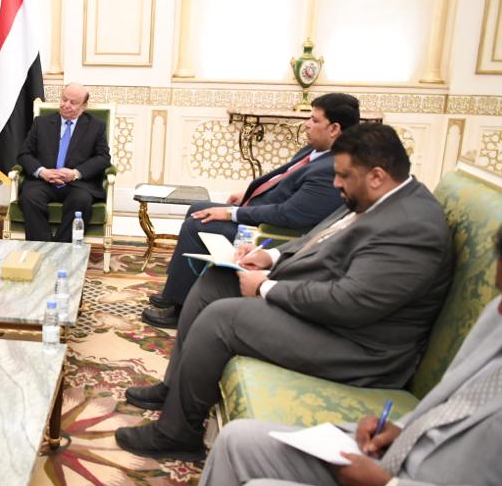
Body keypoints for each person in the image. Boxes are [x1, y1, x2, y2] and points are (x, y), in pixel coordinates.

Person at [173, 217, 502, 486]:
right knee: (237, 441)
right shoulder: (500, 318)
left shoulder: (413, 225)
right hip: (396, 458)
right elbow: (457, 404)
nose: (500, 309)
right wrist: (402, 430)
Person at [117, 124, 453, 461]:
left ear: (377, 175)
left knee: (222, 320)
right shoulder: (375, 194)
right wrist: (271, 255)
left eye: (342, 176)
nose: (336, 183)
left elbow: (350, 303)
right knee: (218, 280)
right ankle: (174, 388)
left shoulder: (412, 227)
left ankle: (176, 434)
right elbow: (320, 237)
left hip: (359, 347)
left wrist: (266, 287)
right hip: (332, 316)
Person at [144, 92, 361, 330]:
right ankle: (175, 291)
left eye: (315, 120)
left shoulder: (332, 167)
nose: (307, 124)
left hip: (270, 232)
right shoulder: (316, 150)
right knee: (197, 209)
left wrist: (231, 213)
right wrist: (246, 195)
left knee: (197, 225)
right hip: (260, 211)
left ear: (334, 128)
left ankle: (181, 310)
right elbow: (282, 181)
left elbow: (290, 215)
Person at [16, 83, 111, 242]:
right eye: (64, 99)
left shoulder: (96, 126)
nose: (66, 105)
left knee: (81, 201)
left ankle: (63, 249)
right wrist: (42, 172)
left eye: (73, 102)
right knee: (29, 198)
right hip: (44, 181)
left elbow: (103, 158)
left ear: (84, 106)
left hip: (77, 184)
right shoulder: (41, 123)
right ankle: (43, 247)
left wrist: (75, 173)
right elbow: (24, 154)